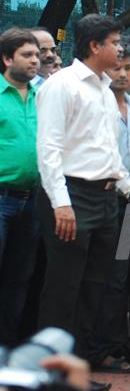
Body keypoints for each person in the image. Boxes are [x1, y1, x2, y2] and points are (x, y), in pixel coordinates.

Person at [35, 14, 130, 391]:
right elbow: (49, 150)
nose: (120, 49)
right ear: (94, 46)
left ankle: (77, 370)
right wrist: (61, 203)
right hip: (71, 197)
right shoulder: (63, 86)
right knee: (63, 292)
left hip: (106, 200)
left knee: (94, 290)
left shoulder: (105, 90)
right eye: (115, 42)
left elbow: (107, 155)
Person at [84, 43, 130, 374]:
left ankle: (114, 344)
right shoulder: (96, 106)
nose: (122, 74)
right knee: (100, 279)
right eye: (116, 68)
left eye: (128, 68)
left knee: (122, 279)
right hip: (102, 201)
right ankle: (94, 348)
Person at [0, 28, 41, 346]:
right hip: (1, 200)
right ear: (6, 58)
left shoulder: (42, 97)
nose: (35, 60)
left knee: (20, 278)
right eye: (27, 54)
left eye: (37, 55)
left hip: (33, 201)